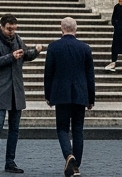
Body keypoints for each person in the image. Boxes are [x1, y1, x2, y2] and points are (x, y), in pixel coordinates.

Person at [44, 17, 95, 177]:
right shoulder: (85, 48)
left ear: (61, 29)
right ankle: (76, 166)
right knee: (78, 130)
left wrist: (48, 94)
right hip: (80, 93)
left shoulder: (53, 47)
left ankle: (68, 155)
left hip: (61, 93)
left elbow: (48, 73)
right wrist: (91, 97)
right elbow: (90, 75)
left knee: (62, 128)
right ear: (76, 29)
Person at [0, 14, 34, 174]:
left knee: (14, 128)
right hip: (0, 90)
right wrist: (11, 56)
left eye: (14, 29)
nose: (12, 32)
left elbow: (26, 55)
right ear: (2, 26)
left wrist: (36, 51)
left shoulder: (18, 40)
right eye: (9, 29)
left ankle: (10, 162)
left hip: (16, 90)